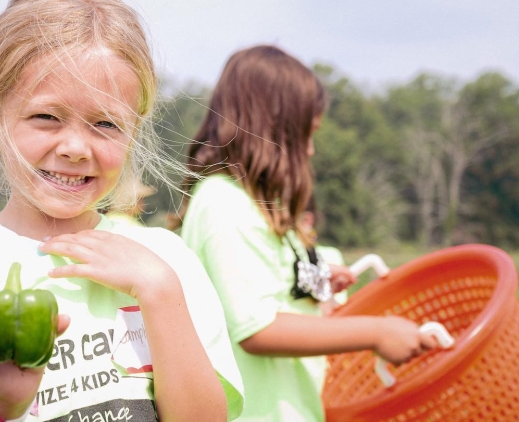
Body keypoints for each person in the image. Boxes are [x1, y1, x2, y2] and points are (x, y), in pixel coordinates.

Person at [0, 1, 244, 421]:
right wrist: (4, 406)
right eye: (46, 117)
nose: (75, 148)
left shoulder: (165, 260)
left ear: (133, 131)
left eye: (105, 124)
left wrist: (159, 291)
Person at [173, 45, 437, 421]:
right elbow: (257, 329)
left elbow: (275, 288)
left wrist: (319, 283)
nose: (311, 151)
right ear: (272, 131)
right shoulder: (223, 205)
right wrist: (377, 332)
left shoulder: (258, 206)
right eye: (305, 136)